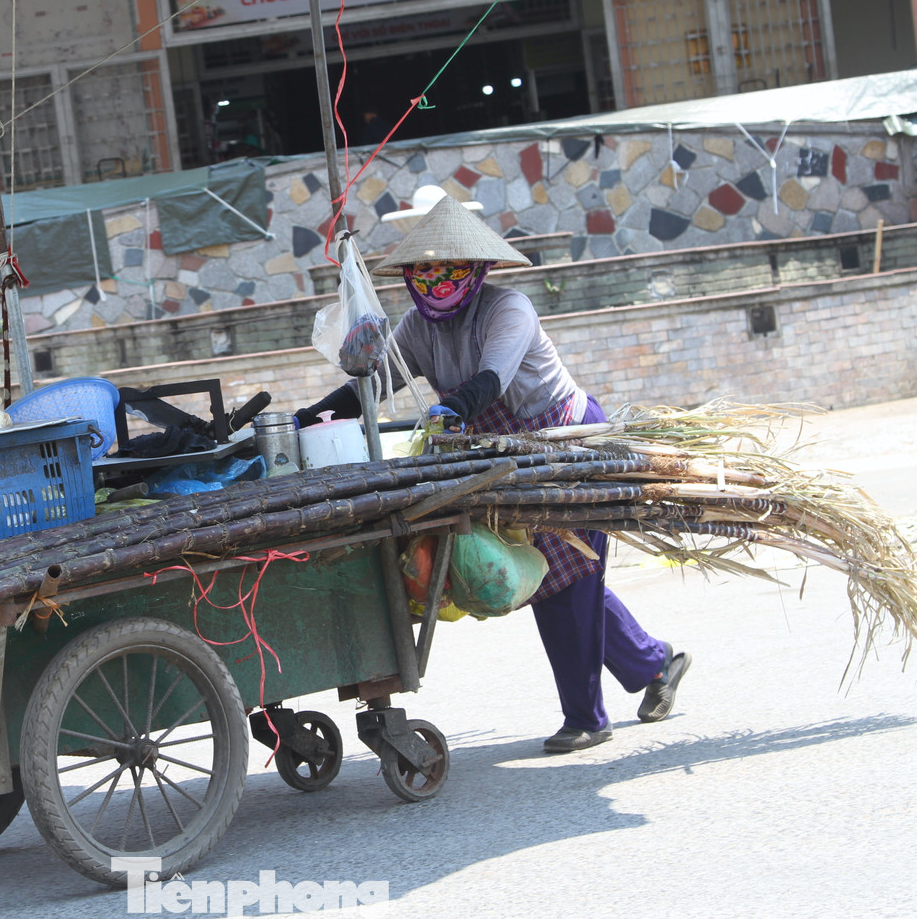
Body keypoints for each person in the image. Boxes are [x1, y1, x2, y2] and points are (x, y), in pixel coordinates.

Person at [294, 195, 691, 753]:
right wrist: (310, 417)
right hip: (499, 455)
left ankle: (586, 717)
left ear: (476, 272)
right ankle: (655, 664)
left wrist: (453, 409)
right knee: (557, 573)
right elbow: (376, 382)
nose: (436, 282)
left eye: (448, 272)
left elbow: (491, 381)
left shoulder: (511, 310)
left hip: (563, 444)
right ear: (410, 278)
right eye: (424, 273)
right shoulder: (415, 328)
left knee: (565, 577)